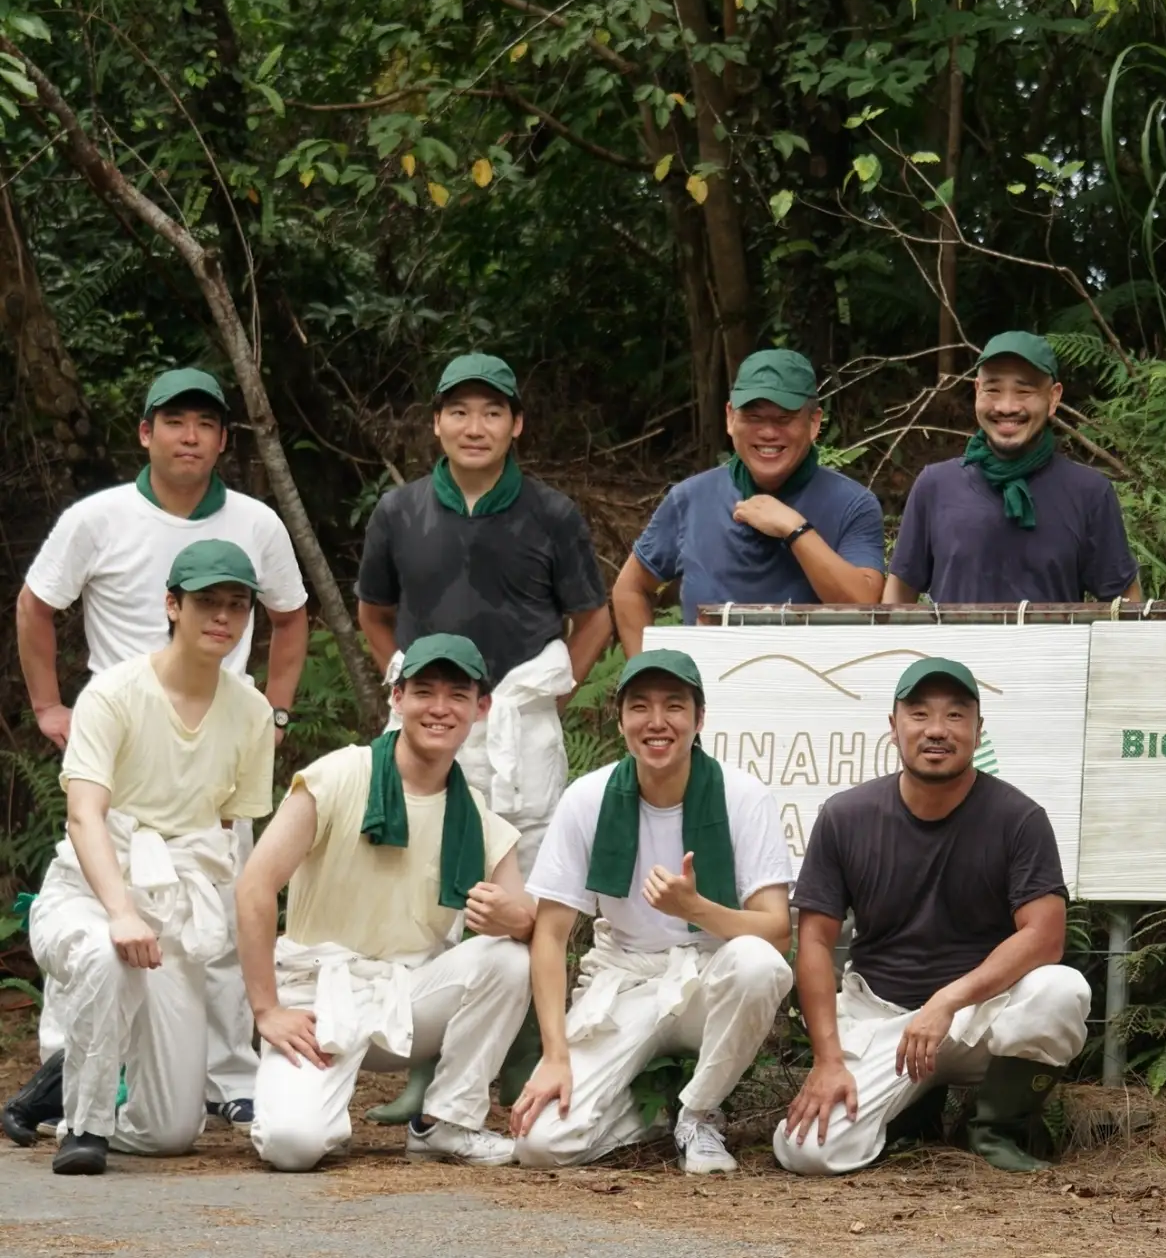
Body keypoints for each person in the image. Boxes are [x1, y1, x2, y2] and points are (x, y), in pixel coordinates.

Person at [6, 368, 308, 1144]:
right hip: (121, 740)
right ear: (145, 432)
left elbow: (291, 615)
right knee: (112, 927)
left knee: (213, 922)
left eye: (205, 425)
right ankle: (74, 1077)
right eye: (174, 422)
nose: (189, 437)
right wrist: (48, 705)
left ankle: (229, 1077)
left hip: (216, 738)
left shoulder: (256, 523)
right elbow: (37, 604)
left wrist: (273, 712)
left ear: (222, 442)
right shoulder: (98, 518)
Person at [356, 353, 606, 1123]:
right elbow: (375, 612)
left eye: (491, 412)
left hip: (521, 731)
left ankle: (529, 1057)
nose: (475, 427)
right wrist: (414, 688)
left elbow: (591, 618)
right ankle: (428, 1068)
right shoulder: (398, 512)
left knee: (531, 892)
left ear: (516, 424)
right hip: (430, 726)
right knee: (430, 888)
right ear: (436, 422)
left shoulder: (551, 514)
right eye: (459, 412)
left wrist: (550, 695)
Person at [773, 657, 1091, 1176]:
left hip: (975, 1015)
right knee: (805, 1151)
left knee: (1061, 989)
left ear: (978, 730)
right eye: (919, 714)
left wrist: (949, 999)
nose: (937, 730)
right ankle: (909, 1113)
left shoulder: (1019, 818)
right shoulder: (845, 816)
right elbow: (812, 943)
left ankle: (993, 1129)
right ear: (894, 726)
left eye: (956, 716)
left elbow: (1045, 937)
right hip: (882, 1017)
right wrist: (828, 1058)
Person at [237, 634, 536, 1172]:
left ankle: (446, 1121)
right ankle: (312, 1109)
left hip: (407, 1000)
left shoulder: (474, 812)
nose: (440, 709)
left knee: (511, 957)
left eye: (457, 695)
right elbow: (255, 885)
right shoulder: (339, 775)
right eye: (424, 691)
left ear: (480, 708)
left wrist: (514, 919)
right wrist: (266, 1009)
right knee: (292, 1146)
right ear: (397, 698)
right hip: (319, 996)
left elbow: (530, 919)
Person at [26, 540, 277, 1175]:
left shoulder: (250, 711)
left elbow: (222, 827)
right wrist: (119, 910)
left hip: (173, 903)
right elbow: (84, 814)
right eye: (206, 603)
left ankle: (59, 1084)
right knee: (112, 962)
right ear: (172, 605)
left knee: (170, 1131)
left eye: (237, 606)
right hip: (88, 893)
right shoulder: (113, 694)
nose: (222, 617)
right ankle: (84, 1129)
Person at [510, 649, 793, 1173]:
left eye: (674, 706)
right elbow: (548, 936)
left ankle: (700, 1113)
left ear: (699, 719)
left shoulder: (743, 796)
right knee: (541, 1146)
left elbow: (777, 932)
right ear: (620, 722)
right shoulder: (587, 799)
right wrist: (554, 1055)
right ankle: (646, 1116)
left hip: (712, 981)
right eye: (640, 707)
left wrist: (697, 908)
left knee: (757, 963)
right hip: (625, 981)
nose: (657, 722)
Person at [612, 349, 885, 643]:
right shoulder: (690, 499)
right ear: (730, 418)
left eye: (784, 419)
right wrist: (648, 674)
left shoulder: (853, 504)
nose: (768, 432)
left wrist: (795, 530)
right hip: (710, 685)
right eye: (753, 417)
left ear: (814, 424)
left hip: (816, 685)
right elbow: (630, 588)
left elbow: (864, 606)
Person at [883, 332, 1139, 605]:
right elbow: (898, 595)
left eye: (1024, 391)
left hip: (1054, 649)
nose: (1006, 406)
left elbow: (1125, 600)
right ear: (977, 392)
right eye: (993, 390)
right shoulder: (935, 485)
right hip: (952, 649)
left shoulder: (1089, 493)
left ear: (1053, 398)